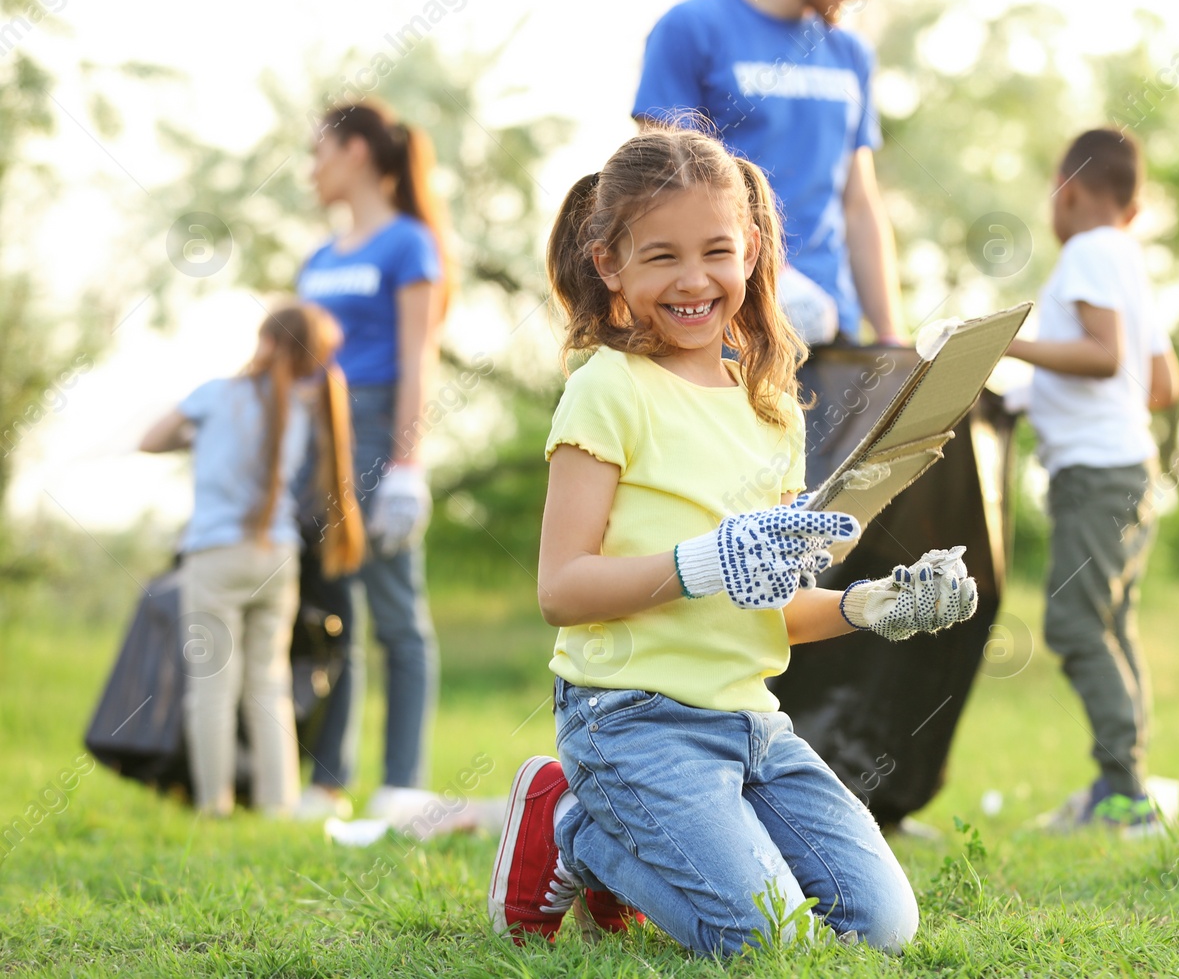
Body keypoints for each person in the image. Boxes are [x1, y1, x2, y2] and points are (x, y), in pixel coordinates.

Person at [484, 125, 979, 955]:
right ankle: (573, 819)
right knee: (767, 939)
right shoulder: (606, 389)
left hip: (751, 723)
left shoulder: (773, 409)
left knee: (881, 925)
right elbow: (560, 589)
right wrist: (702, 562)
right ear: (609, 263)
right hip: (628, 717)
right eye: (660, 257)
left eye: (715, 250)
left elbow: (774, 608)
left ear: (750, 248)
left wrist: (873, 604)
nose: (693, 280)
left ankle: (636, 843)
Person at [1004, 129, 1179, 836]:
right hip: (1133, 467)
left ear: (1067, 190)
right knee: (1113, 623)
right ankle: (1122, 782)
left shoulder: (1085, 252)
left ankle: (1128, 795)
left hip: (1097, 474)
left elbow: (1105, 358)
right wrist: (1034, 397)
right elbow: (1160, 382)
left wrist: (1002, 344)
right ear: (1134, 208)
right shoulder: (1127, 260)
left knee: (1075, 623)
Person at [632, 0, 913, 345]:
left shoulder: (850, 55)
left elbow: (859, 205)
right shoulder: (691, 29)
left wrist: (892, 340)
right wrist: (766, 273)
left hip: (830, 328)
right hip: (724, 327)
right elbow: (659, 189)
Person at [292, 99, 452, 819]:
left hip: (381, 431)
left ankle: (403, 782)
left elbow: (420, 356)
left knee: (397, 616)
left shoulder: (408, 243)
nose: (312, 170)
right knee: (333, 617)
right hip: (316, 444)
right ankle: (328, 781)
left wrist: (408, 466)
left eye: (319, 153)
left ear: (357, 151)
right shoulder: (318, 259)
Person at [140, 303, 363, 817]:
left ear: (266, 341)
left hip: (214, 554)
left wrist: (194, 437)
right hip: (276, 555)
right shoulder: (307, 405)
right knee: (268, 680)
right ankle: (278, 801)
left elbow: (151, 440)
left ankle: (213, 803)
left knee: (213, 684)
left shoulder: (215, 395)